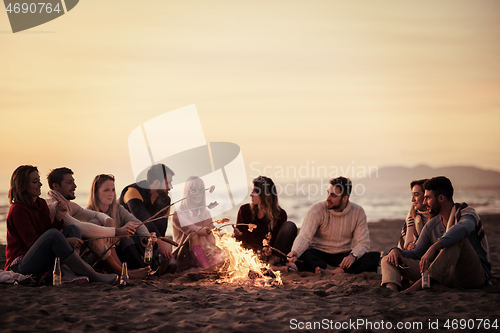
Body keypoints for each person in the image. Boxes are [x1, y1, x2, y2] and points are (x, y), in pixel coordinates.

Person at [5, 165, 117, 284]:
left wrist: (58, 217)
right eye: (35, 181)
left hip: (40, 257)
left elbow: (46, 233)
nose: (40, 185)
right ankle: (91, 274)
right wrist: (66, 241)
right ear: (23, 185)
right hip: (21, 264)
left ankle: (66, 272)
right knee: (54, 234)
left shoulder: (41, 204)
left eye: (39, 180)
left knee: (74, 229)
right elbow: (33, 242)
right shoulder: (18, 210)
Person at [382, 176, 491, 292]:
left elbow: (463, 228)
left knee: (458, 240)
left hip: (472, 275)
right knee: (387, 259)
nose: (425, 202)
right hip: (445, 275)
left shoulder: (465, 213)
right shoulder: (432, 225)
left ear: (441, 198)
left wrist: (435, 247)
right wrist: (396, 251)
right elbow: (415, 253)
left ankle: (415, 288)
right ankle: (391, 292)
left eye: (428, 198)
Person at [46, 167, 137, 268]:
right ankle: (120, 271)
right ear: (56, 186)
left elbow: (95, 214)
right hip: (57, 261)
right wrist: (117, 231)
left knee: (95, 221)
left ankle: (122, 270)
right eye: (69, 182)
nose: (75, 186)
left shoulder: (69, 205)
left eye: (74, 182)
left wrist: (109, 221)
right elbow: (81, 227)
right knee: (89, 228)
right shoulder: (54, 205)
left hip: (74, 255)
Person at [287, 177, 380, 274]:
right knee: (303, 255)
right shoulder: (317, 209)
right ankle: (335, 270)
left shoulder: (358, 212)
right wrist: (295, 252)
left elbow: (363, 242)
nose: (328, 198)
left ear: (345, 198)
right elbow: (304, 236)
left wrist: (352, 256)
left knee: (374, 257)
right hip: (319, 253)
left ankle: (332, 270)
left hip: (342, 256)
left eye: (333, 195)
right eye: (328, 193)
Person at [86, 174, 152, 278]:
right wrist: (117, 232)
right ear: (96, 193)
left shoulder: (117, 209)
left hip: (115, 255)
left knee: (131, 231)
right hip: (94, 258)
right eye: (106, 190)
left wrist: (147, 237)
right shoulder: (88, 213)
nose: (111, 194)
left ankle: (143, 266)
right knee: (107, 239)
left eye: (113, 190)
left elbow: (137, 222)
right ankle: (125, 272)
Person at [234, 176, 297, 266]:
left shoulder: (280, 214)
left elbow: (278, 242)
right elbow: (240, 241)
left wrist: (269, 250)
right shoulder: (244, 210)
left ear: (264, 194)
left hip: (271, 257)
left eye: (254, 191)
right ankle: (268, 267)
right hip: (250, 256)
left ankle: (270, 265)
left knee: (290, 226)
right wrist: (238, 235)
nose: (251, 194)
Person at [172, 176, 219, 269]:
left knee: (225, 250)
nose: (198, 194)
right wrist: (209, 230)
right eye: (193, 190)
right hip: (184, 255)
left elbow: (212, 237)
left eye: (201, 190)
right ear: (187, 192)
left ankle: (210, 266)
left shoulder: (206, 213)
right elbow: (190, 229)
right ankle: (206, 267)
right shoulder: (178, 213)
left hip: (205, 252)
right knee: (194, 234)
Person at [398, 179, 431, 250]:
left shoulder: (438, 218)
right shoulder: (411, 216)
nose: (412, 199)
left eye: (416, 195)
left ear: (426, 195)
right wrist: (408, 246)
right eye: (412, 195)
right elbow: (404, 245)